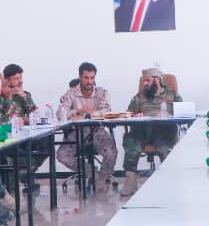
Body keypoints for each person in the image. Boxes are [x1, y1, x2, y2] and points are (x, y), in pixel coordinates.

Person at [57, 62, 118, 193]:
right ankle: (92, 173)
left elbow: (106, 111)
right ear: (80, 77)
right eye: (86, 78)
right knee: (62, 156)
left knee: (111, 153)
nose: (89, 81)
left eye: (92, 78)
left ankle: (102, 179)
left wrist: (86, 115)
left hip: (96, 129)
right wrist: (77, 111)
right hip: (76, 131)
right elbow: (60, 114)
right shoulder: (71, 94)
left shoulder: (102, 92)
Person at [121, 68, 182, 196]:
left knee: (165, 148)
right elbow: (128, 113)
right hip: (142, 130)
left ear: (157, 79)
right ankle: (130, 181)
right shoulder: (139, 97)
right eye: (144, 81)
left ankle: (170, 183)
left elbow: (183, 112)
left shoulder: (172, 95)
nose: (145, 84)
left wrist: (169, 114)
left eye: (148, 80)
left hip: (164, 131)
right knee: (131, 142)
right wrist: (135, 115)